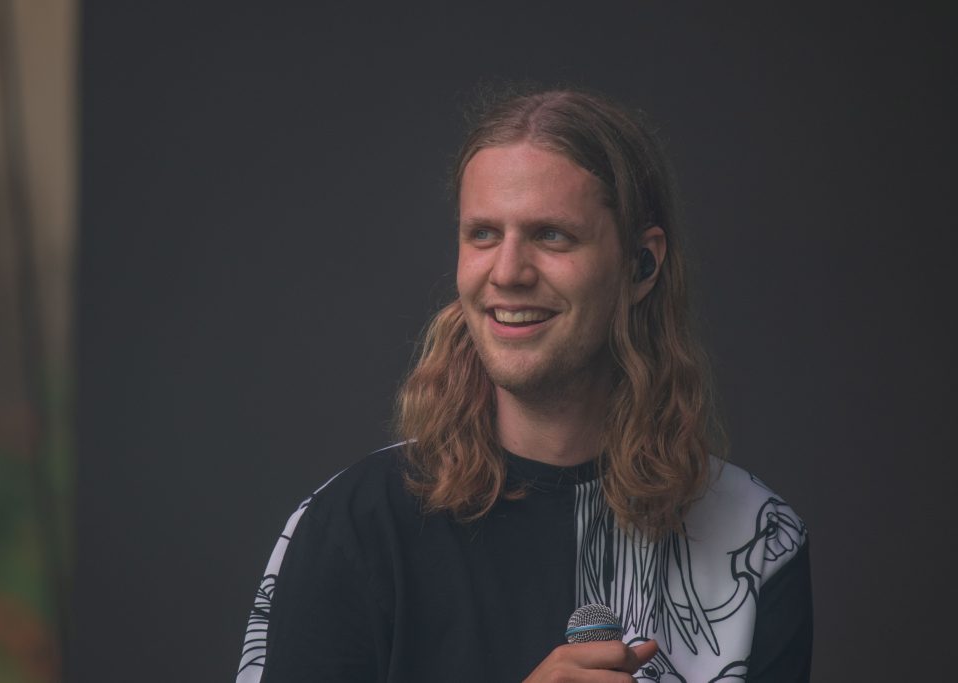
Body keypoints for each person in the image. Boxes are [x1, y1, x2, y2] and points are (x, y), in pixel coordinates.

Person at [236, 87, 812, 682]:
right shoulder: (353, 525)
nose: (507, 272)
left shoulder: (757, 538)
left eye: (551, 235)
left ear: (641, 265)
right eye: (483, 234)